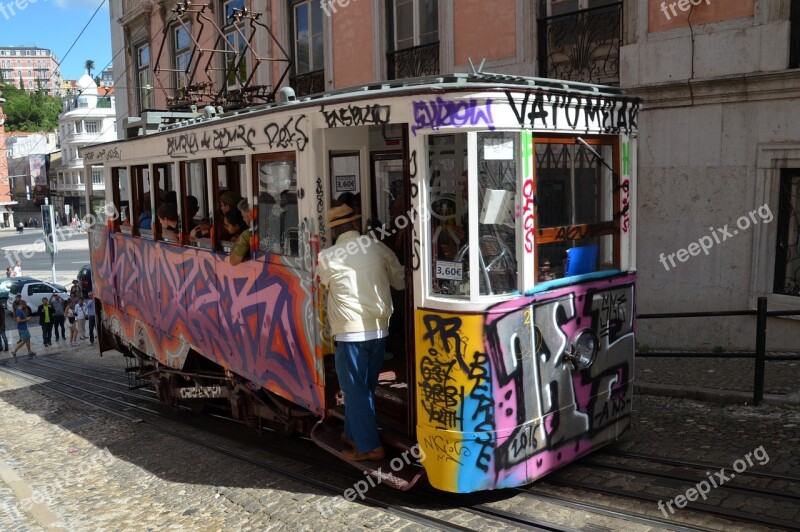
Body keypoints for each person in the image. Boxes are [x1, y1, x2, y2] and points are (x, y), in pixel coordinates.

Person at [317, 204, 405, 462]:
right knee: (363, 387)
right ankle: (351, 433)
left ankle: (368, 447)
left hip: (350, 334)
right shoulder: (377, 247)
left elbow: (324, 284)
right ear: (356, 225)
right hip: (379, 330)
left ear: (334, 231)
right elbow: (400, 281)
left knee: (355, 390)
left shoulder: (328, 256)